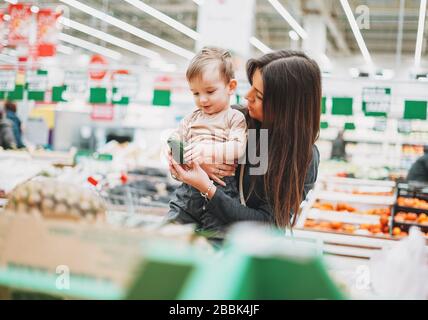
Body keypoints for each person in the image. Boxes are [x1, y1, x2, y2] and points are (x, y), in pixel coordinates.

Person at [168, 50, 321, 233]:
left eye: (259, 95)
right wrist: (197, 163)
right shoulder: (236, 117)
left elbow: (267, 224)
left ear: (286, 107)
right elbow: (174, 148)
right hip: (187, 220)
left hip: (235, 244)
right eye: (251, 86)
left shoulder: (303, 157)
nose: (248, 96)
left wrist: (207, 187)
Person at [167, 47, 247, 230]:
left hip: (220, 189)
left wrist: (206, 152)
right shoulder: (191, 118)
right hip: (187, 191)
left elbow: (238, 147)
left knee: (215, 239)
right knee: (170, 232)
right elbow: (176, 143)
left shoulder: (234, 117)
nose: (202, 99)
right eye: (195, 93)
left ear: (231, 87)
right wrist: (173, 145)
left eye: (210, 92)